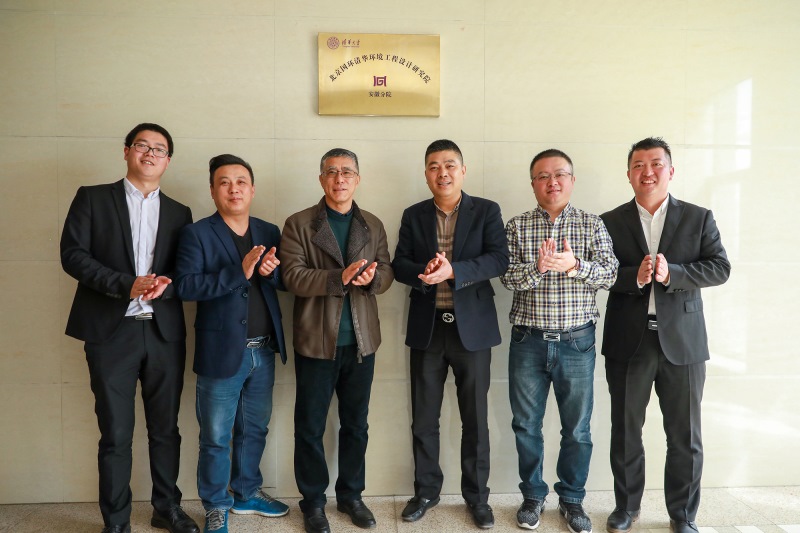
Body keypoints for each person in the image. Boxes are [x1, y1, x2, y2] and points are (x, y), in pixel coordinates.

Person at [60, 123, 199, 533]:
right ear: (126, 151)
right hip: (110, 332)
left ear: (168, 160)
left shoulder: (180, 212)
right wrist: (126, 284)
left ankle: (166, 508)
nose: (151, 153)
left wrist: (168, 282)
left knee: (166, 429)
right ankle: (116, 521)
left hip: (163, 333)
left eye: (160, 149)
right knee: (116, 433)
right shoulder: (92, 198)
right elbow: (72, 255)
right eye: (143, 145)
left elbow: (185, 269)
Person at [600, 137, 731, 533]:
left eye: (656, 164)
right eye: (639, 165)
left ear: (670, 171)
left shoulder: (698, 217)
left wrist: (673, 273)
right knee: (626, 432)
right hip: (629, 341)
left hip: (684, 342)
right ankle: (626, 508)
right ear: (628, 174)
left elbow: (719, 267)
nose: (648, 172)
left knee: (685, 435)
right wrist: (634, 277)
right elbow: (598, 273)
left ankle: (683, 515)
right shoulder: (609, 221)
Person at [392, 139, 509, 530]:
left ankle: (477, 497)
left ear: (463, 170)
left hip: (472, 331)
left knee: (475, 419)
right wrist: (424, 271)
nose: (442, 173)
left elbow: (498, 259)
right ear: (426, 173)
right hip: (427, 329)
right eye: (433, 166)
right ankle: (426, 492)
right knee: (424, 419)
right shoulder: (413, 214)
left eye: (449, 165)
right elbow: (399, 263)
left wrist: (454, 270)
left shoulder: (486, 210)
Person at [501, 149, 618, 533]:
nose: (552, 182)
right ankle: (533, 495)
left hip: (577, 343)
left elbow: (610, 274)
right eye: (543, 176)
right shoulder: (517, 226)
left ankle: (572, 499)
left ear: (571, 180)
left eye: (560, 174)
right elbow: (506, 277)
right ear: (533, 183)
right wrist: (537, 267)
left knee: (578, 428)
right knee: (525, 425)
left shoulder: (591, 224)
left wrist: (575, 266)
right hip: (528, 341)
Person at [279, 148, 393, 533]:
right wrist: (338, 277)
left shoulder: (372, 223)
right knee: (310, 427)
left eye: (347, 172)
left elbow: (387, 271)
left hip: (362, 343)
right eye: (331, 172)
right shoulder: (299, 223)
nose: (339, 178)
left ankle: (351, 496)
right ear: (321, 179)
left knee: (356, 425)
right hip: (316, 342)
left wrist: (373, 279)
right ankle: (313, 503)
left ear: (357, 179)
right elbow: (292, 276)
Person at [174, 154, 289, 533]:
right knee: (215, 437)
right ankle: (216, 505)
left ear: (252, 189)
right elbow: (186, 286)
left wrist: (271, 274)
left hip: (263, 350)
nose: (233, 188)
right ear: (212, 190)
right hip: (221, 351)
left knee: (255, 429)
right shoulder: (196, 233)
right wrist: (238, 272)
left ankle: (246, 492)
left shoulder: (269, 230)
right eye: (224, 182)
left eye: (241, 182)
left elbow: (283, 281)